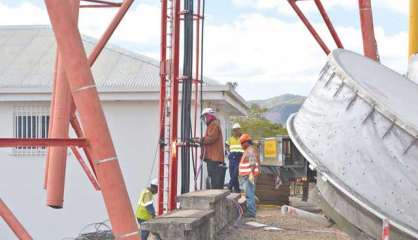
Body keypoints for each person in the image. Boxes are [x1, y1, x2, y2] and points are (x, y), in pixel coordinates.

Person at [200, 107, 225, 189]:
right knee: (213, 177)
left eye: (205, 117)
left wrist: (201, 140)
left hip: (213, 157)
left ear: (208, 116)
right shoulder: (213, 124)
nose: (204, 120)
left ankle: (215, 194)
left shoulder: (213, 124)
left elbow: (211, 138)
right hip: (213, 157)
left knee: (214, 178)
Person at [239, 133, 260, 218]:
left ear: (246, 142)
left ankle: (251, 212)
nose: (241, 145)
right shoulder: (249, 149)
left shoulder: (250, 150)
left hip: (248, 176)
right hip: (247, 176)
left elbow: (252, 164)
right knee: (249, 193)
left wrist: (251, 175)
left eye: (242, 143)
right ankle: (251, 210)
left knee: (249, 194)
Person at [226, 123, 243, 193]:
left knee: (235, 173)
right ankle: (237, 189)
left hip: (239, 157)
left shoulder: (242, 138)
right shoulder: (230, 139)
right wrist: (229, 152)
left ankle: (229, 186)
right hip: (232, 157)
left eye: (236, 130)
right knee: (231, 173)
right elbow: (226, 146)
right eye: (234, 130)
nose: (235, 132)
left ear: (239, 130)